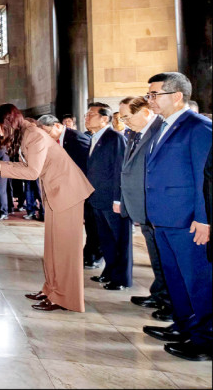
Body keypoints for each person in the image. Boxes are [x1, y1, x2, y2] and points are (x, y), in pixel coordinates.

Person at [0, 104, 95, 312]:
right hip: (56, 192)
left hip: (67, 192)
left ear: (8, 122)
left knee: (65, 250)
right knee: (53, 247)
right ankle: (51, 290)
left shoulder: (34, 136)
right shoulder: (26, 133)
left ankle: (67, 299)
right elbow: (30, 167)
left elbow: (31, 172)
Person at [142, 72, 212, 361]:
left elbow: (205, 178)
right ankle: (185, 326)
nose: (150, 100)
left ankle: (206, 340)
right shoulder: (161, 125)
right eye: (149, 94)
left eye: (155, 94)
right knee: (175, 279)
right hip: (164, 218)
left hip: (188, 220)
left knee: (198, 282)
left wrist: (204, 218)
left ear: (177, 96)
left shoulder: (199, 127)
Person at [117, 97, 173, 321]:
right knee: (156, 257)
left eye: (127, 117)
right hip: (143, 207)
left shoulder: (160, 131)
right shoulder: (134, 133)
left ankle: (171, 303)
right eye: (122, 118)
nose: (125, 122)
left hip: (157, 207)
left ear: (146, 112)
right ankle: (159, 294)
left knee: (167, 260)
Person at [36, 114, 99, 261]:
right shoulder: (57, 139)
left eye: (47, 132)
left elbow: (87, 166)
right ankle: (77, 254)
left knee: (92, 225)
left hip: (83, 188)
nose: (46, 137)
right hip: (67, 188)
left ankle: (93, 256)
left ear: (57, 126)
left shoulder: (76, 138)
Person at [84, 102, 130, 291]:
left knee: (119, 240)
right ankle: (109, 272)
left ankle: (121, 279)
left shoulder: (115, 138)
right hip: (97, 198)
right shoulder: (94, 137)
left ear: (104, 119)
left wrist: (117, 199)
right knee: (106, 240)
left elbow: (120, 170)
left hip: (112, 199)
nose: (86, 117)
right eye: (86, 114)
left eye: (91, 114)